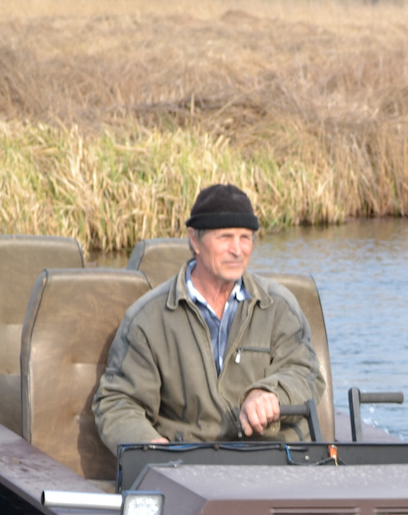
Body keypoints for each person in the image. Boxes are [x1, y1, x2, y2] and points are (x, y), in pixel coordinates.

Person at [93, 184, 320, 448]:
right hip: (189, 464)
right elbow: (118, 402)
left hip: (272, 460)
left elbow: (306, 373)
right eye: (225, 237)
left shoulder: (280, 307)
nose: (238, 250)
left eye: (245, 237)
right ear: (194, 240)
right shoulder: (148, 319)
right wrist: (150, 447)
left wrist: (271, 393)